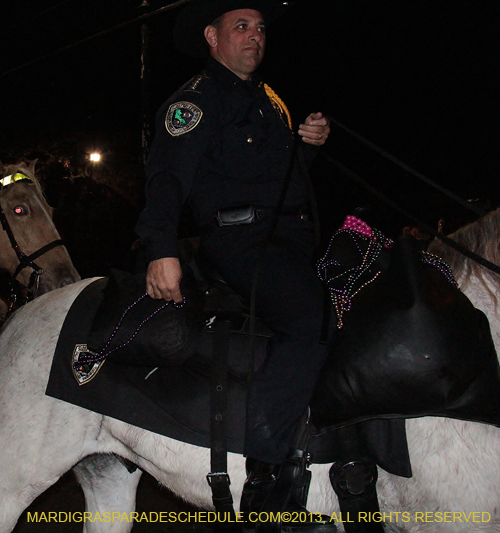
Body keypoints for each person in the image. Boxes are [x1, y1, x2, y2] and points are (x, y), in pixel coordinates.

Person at [135, 1, 334, 530]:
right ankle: (266, 476)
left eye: (260, 28)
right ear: (211, 36)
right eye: (241, 27)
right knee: (309, 319)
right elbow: (166, 178)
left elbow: (273, 177)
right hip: (240, 241)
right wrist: (161, 248)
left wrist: (306, 147)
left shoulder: (270, 101)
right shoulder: (193, 104)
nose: (255, 37)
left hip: (289, 238)